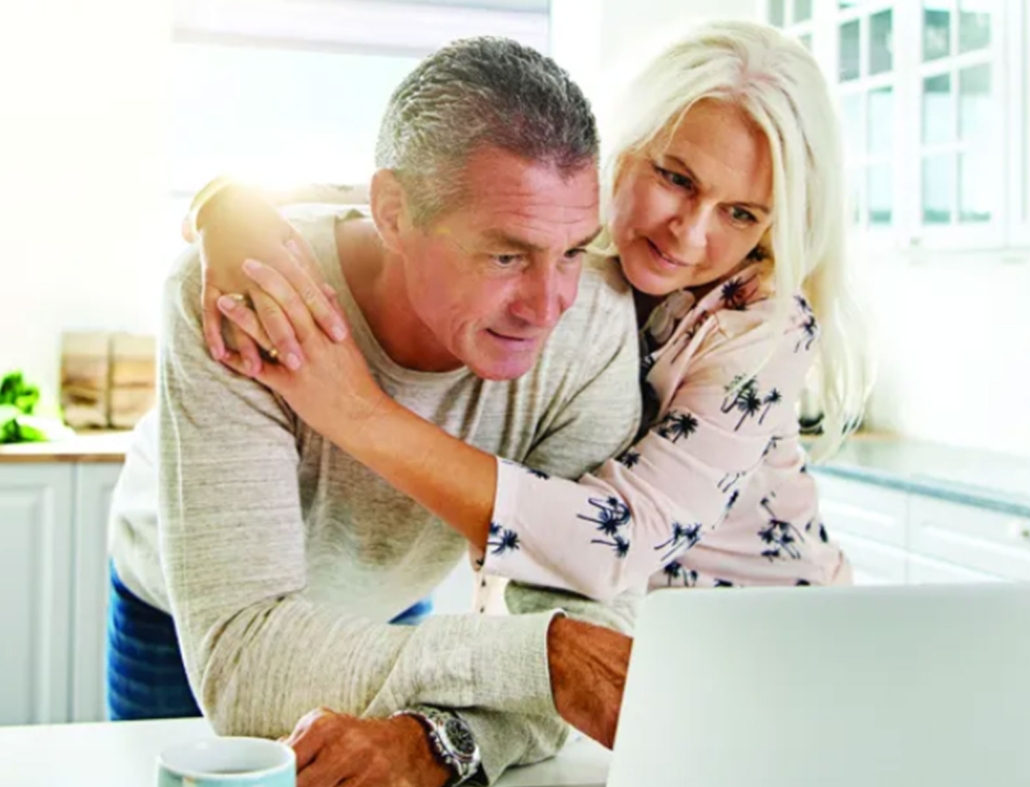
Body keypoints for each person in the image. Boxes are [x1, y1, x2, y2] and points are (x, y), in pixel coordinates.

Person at [107, 37, 643, 787]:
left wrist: (436, 739)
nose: (550, 303)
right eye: (507, 253)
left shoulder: (596, 331)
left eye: (572, 249)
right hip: (186, 613)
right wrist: (546, 658)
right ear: (392, 212)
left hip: (391, 606)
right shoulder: (245, 292)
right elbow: (244, 664)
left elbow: (591, 651)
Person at [193, 20, 871, 604]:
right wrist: (227, 206)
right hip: (623, 642)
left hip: (778, 625)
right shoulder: (572, 233)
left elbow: (622, 540)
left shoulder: (763, 324)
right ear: (625, 146)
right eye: (676, 178)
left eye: (741, 213)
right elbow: (432, 201)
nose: (688, 234)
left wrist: (357, 411)